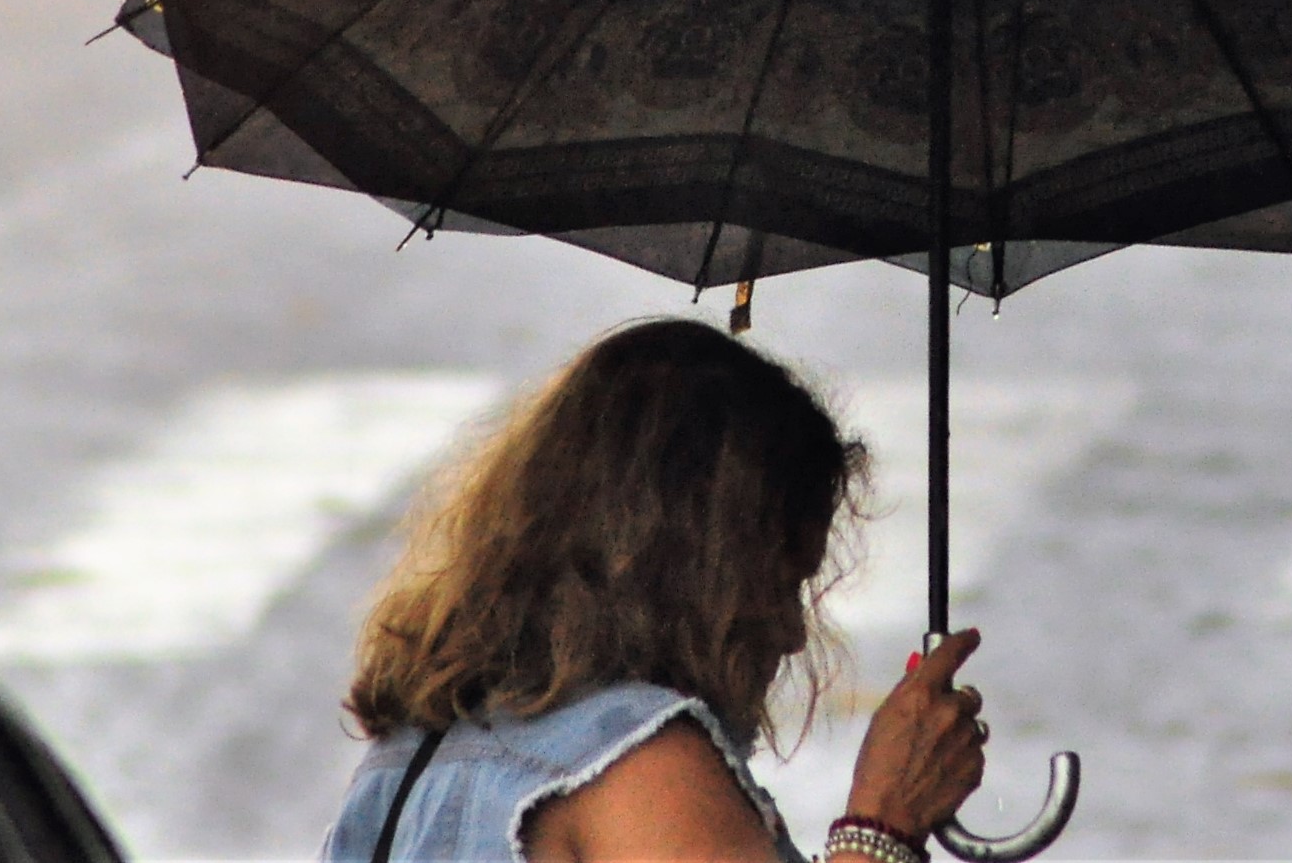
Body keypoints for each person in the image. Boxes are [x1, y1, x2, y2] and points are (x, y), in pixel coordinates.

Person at [321, 319, 987, 863]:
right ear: (703, 577)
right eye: (783, 584)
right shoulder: (642, 764)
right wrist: (883, 824)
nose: (789, 630)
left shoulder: (406, 758)